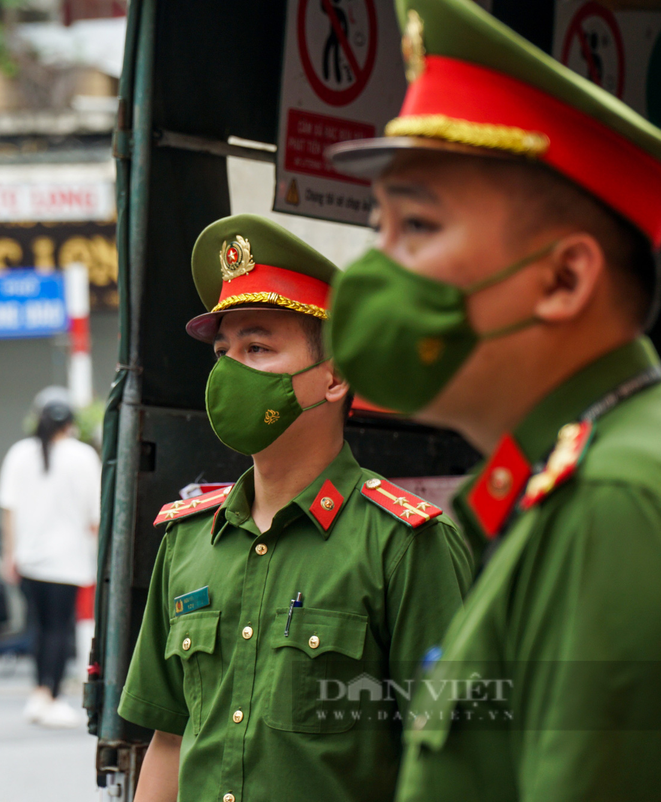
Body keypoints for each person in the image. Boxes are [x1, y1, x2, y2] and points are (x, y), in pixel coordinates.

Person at [324, 1, 661, 800]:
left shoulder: (623, 503)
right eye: (379, 229)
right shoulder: (556, 487)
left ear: (564, 279)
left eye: (416, 225)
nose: (376, 271)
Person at [118, 214, 474, 802]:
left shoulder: (404, 544)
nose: (230, 370)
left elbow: (449, 759)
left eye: (258, 348)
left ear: (332, 377)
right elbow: (171, 741)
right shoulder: (187, 541)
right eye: (223, 350)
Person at [0, 393, 100, 729]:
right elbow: (95, 515)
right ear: (71, 424)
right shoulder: (83, 457)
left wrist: (10, 555)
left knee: (38, 627)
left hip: (29, 559)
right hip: (67, 561)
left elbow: (8, 509)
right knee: (58, 629)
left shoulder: (19, 453)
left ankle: (39, 693)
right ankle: (51, 696)